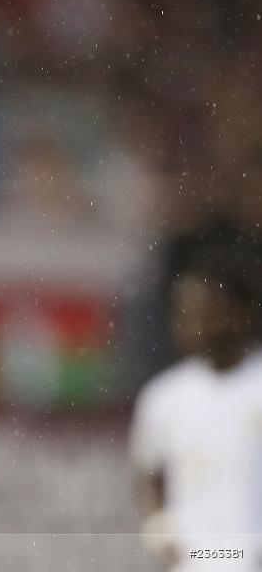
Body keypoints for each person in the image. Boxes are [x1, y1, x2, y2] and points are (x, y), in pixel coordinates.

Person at [130, 221, 262, 571]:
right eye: (183, 314)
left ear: (239, 313)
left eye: (204, 312)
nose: (189, 324)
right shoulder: (163, 398)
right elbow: (150, 474)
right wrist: (164, 536)